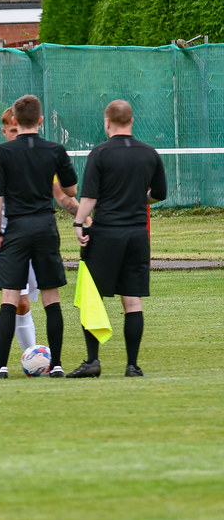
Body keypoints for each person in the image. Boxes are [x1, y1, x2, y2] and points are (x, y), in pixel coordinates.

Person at [0, 108, 82, 372]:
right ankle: (56, 365)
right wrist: (82, 217)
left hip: (16, 230)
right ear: (40, 119)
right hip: (45, 227)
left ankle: (0, 367)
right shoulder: (53, 150)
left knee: (10, 299)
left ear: (17, 122)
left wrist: (0, 234)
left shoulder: (2, 152)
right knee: (51, 298)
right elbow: (68, 191)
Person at [68, 100, 167, 378]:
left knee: (93, 297)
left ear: (107, 122)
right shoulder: (149, 153)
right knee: (132, 300)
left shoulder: (99, 154)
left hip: (106, 233)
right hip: (137, 234)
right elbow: (160, 193)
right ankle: (132, 365)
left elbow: (89, 197)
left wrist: (78, 222)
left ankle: (92, 361)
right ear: (132, 121)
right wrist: (139, 198)